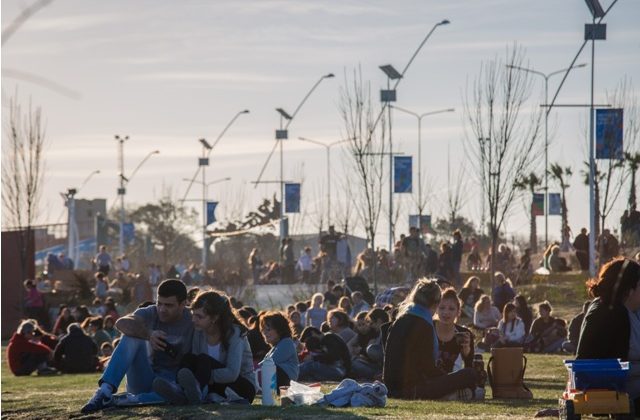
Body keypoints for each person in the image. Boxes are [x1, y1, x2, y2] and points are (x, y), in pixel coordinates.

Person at [81, 279, 194, 413]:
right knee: (131, 335)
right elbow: (121, 323)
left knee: (179, 393)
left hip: (173, 382)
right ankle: (105, 391)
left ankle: (127, 400)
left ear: (183, 304)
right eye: (159, 303)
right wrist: (149, 334)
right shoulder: (151, 312)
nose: (162, 309)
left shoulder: (193, 318)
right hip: (144, 377)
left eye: (169, 305)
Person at [153, 290, 256, 405]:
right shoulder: (199, 332)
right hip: (212, 384)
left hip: (242, 388)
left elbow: (232, 373)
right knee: (189, 358)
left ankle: (194, 392)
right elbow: (195, 363)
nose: (193, 320)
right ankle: (182, 392)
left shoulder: (234, 334)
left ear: (214, 318)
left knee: (203, 359)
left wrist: (203, 376)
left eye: (199, 317)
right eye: (193, 315)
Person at [383, 279, 479, 400]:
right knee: (469, 375)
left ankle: (451, 394)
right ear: (435, 304)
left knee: (463, 377)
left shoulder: (400, 320)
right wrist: (447, 380)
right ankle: (449, 395)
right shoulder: (424, 325)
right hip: (412, 389)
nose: (445, 312)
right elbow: (428, 369)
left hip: (391, 388)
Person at [576, 258, 640, 404]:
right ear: (630, 291)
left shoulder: (633, 310)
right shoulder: (610, 313)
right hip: (621, 393)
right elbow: (614, 367)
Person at [434, 288, 475, 375]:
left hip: (452, 381)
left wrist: (467, 353)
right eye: (442, 308)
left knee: (472, 374)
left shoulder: (464, 334)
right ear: (436, 310)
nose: (446, 312)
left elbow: (469, 367)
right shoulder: (428, 328)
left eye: (451, 309)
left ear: (458, 312)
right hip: (429, 380)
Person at [259, 311, 299, 389]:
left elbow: (270, 362)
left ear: (279, 329)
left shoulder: (286, 342)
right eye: (263, 330)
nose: (264, 333)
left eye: (268, 329)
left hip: (285, 382)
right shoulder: (276, 346)